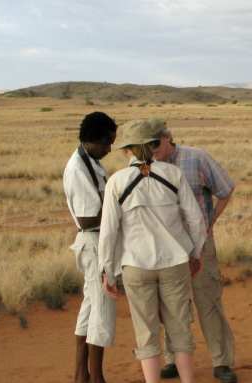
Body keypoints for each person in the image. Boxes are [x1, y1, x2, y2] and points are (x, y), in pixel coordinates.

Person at [98, 118, 208, 383]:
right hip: (175, 262)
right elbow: (195, 220)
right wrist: (195, 253)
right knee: (180, 328)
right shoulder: (173, 174)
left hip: (136, 266)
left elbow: (109, 232)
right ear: (156, 144)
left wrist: (107, 270)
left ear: (128, 150)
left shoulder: (117, 181)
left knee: (146, 331)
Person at [148, 119, 239, 383]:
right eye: (147, 144)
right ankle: (172, 359)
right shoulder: (148, 166)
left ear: (168, 138)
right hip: (166, 246)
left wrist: (210, 223)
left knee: (208, 299)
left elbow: (226, 188)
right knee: (171, 302)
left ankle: (222, 362)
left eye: (155, 143)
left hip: (199, 244)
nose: (152, 149)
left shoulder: (197, 158)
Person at [63, 111, 118, 383]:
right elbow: (86, 217)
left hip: (95, 240)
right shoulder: (78, 168)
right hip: (94, 242)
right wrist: (120, 213)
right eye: (107, 142)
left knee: (89, 308)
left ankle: (80, 375)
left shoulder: (90, 162)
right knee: (102, 311)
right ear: (91, 140)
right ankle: (96, 377)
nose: (109, 148)